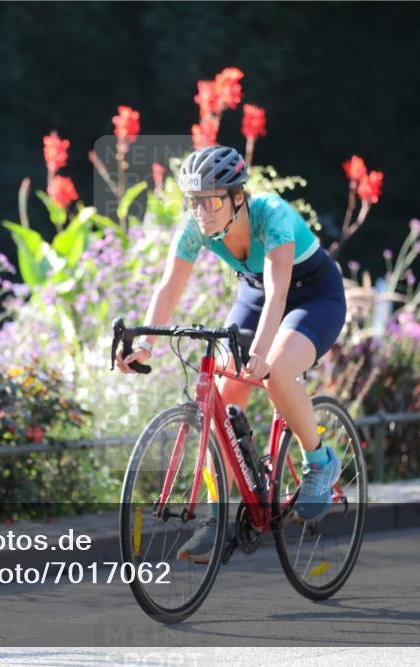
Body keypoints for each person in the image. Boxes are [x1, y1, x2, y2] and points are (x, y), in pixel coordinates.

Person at [114, 145, 348, 563]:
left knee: (275, 373)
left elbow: (280, 291)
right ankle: (217, 516)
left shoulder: (271, 214)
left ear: (238, 196)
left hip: (312, 295)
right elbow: (169, 286)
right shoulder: (195, 227)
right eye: (194, 201)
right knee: (221, 399)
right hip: (255, 293)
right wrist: (145, 343)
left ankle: (319, 461)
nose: (202, 211)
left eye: (212, 200)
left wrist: (260, 354)